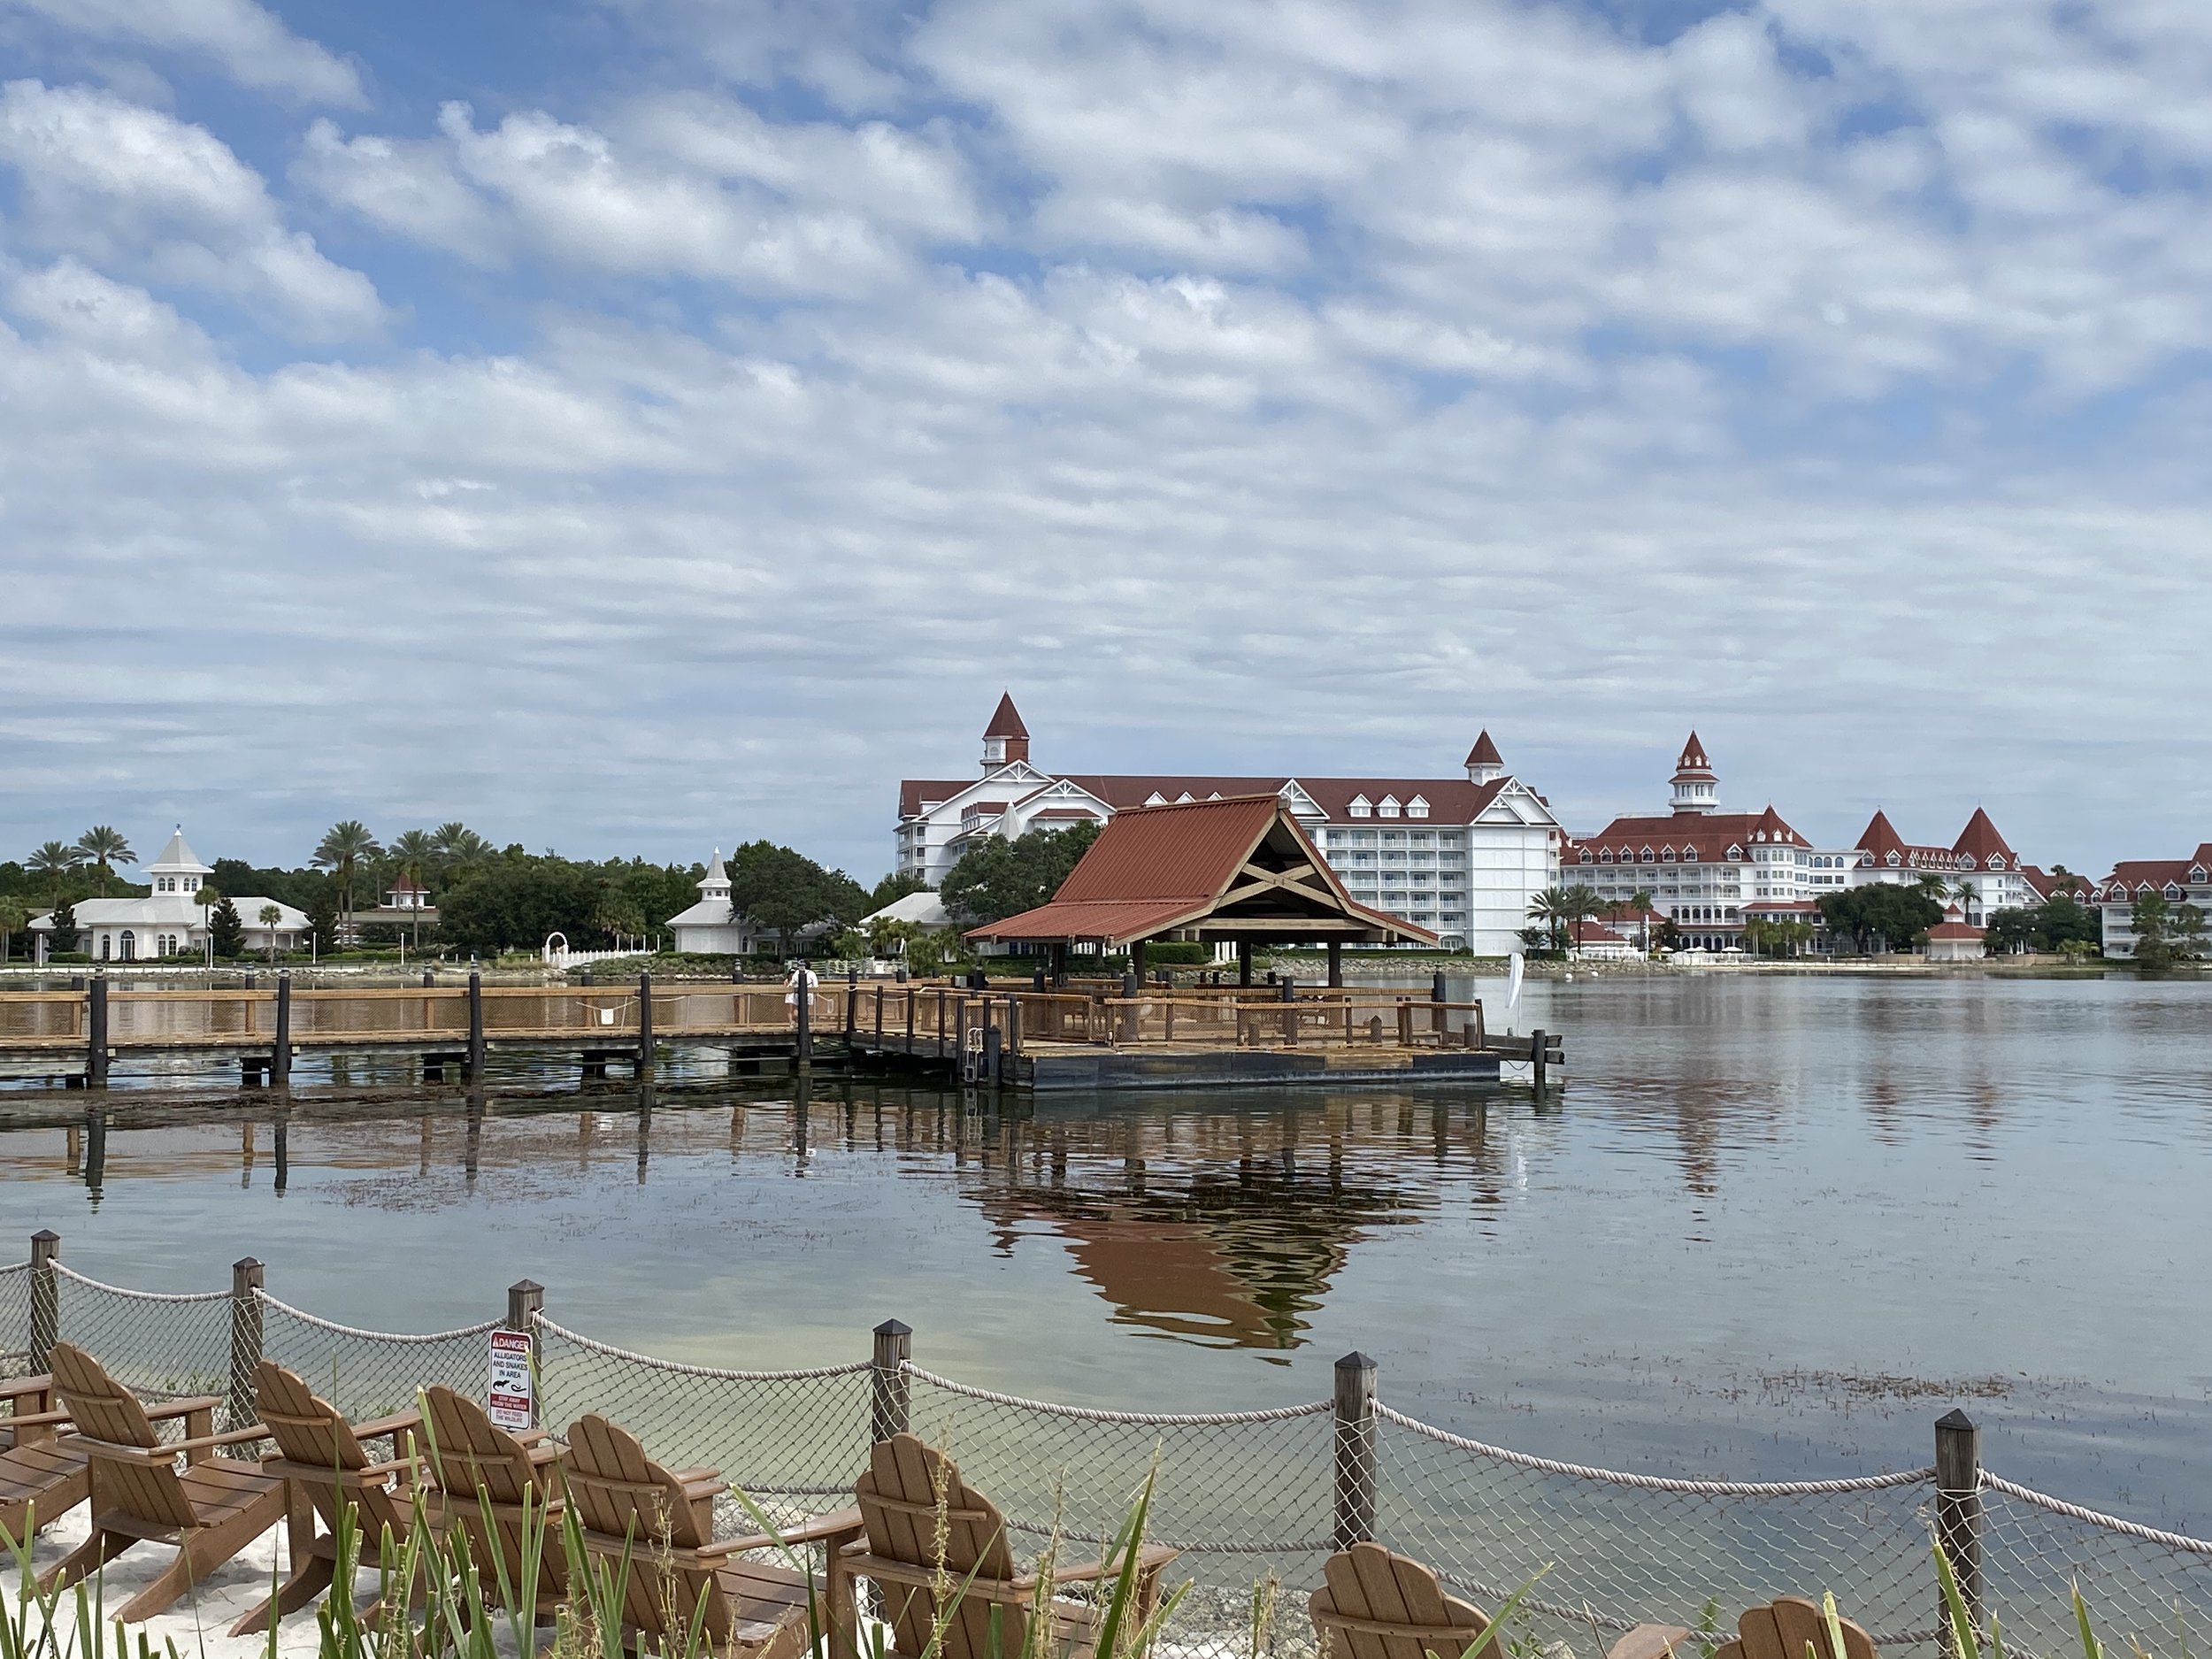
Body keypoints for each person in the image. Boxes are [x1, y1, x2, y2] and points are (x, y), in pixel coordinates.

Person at [784, 958, 818, 1025]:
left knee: (797, 1008)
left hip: (798, 992)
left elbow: (792, 983)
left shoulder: (797, 973)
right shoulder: (812, 973)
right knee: (806, 1009)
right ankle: (804, 1023)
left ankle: (796, 1022)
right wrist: (816, 993)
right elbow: (816, 985)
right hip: (809, 993)